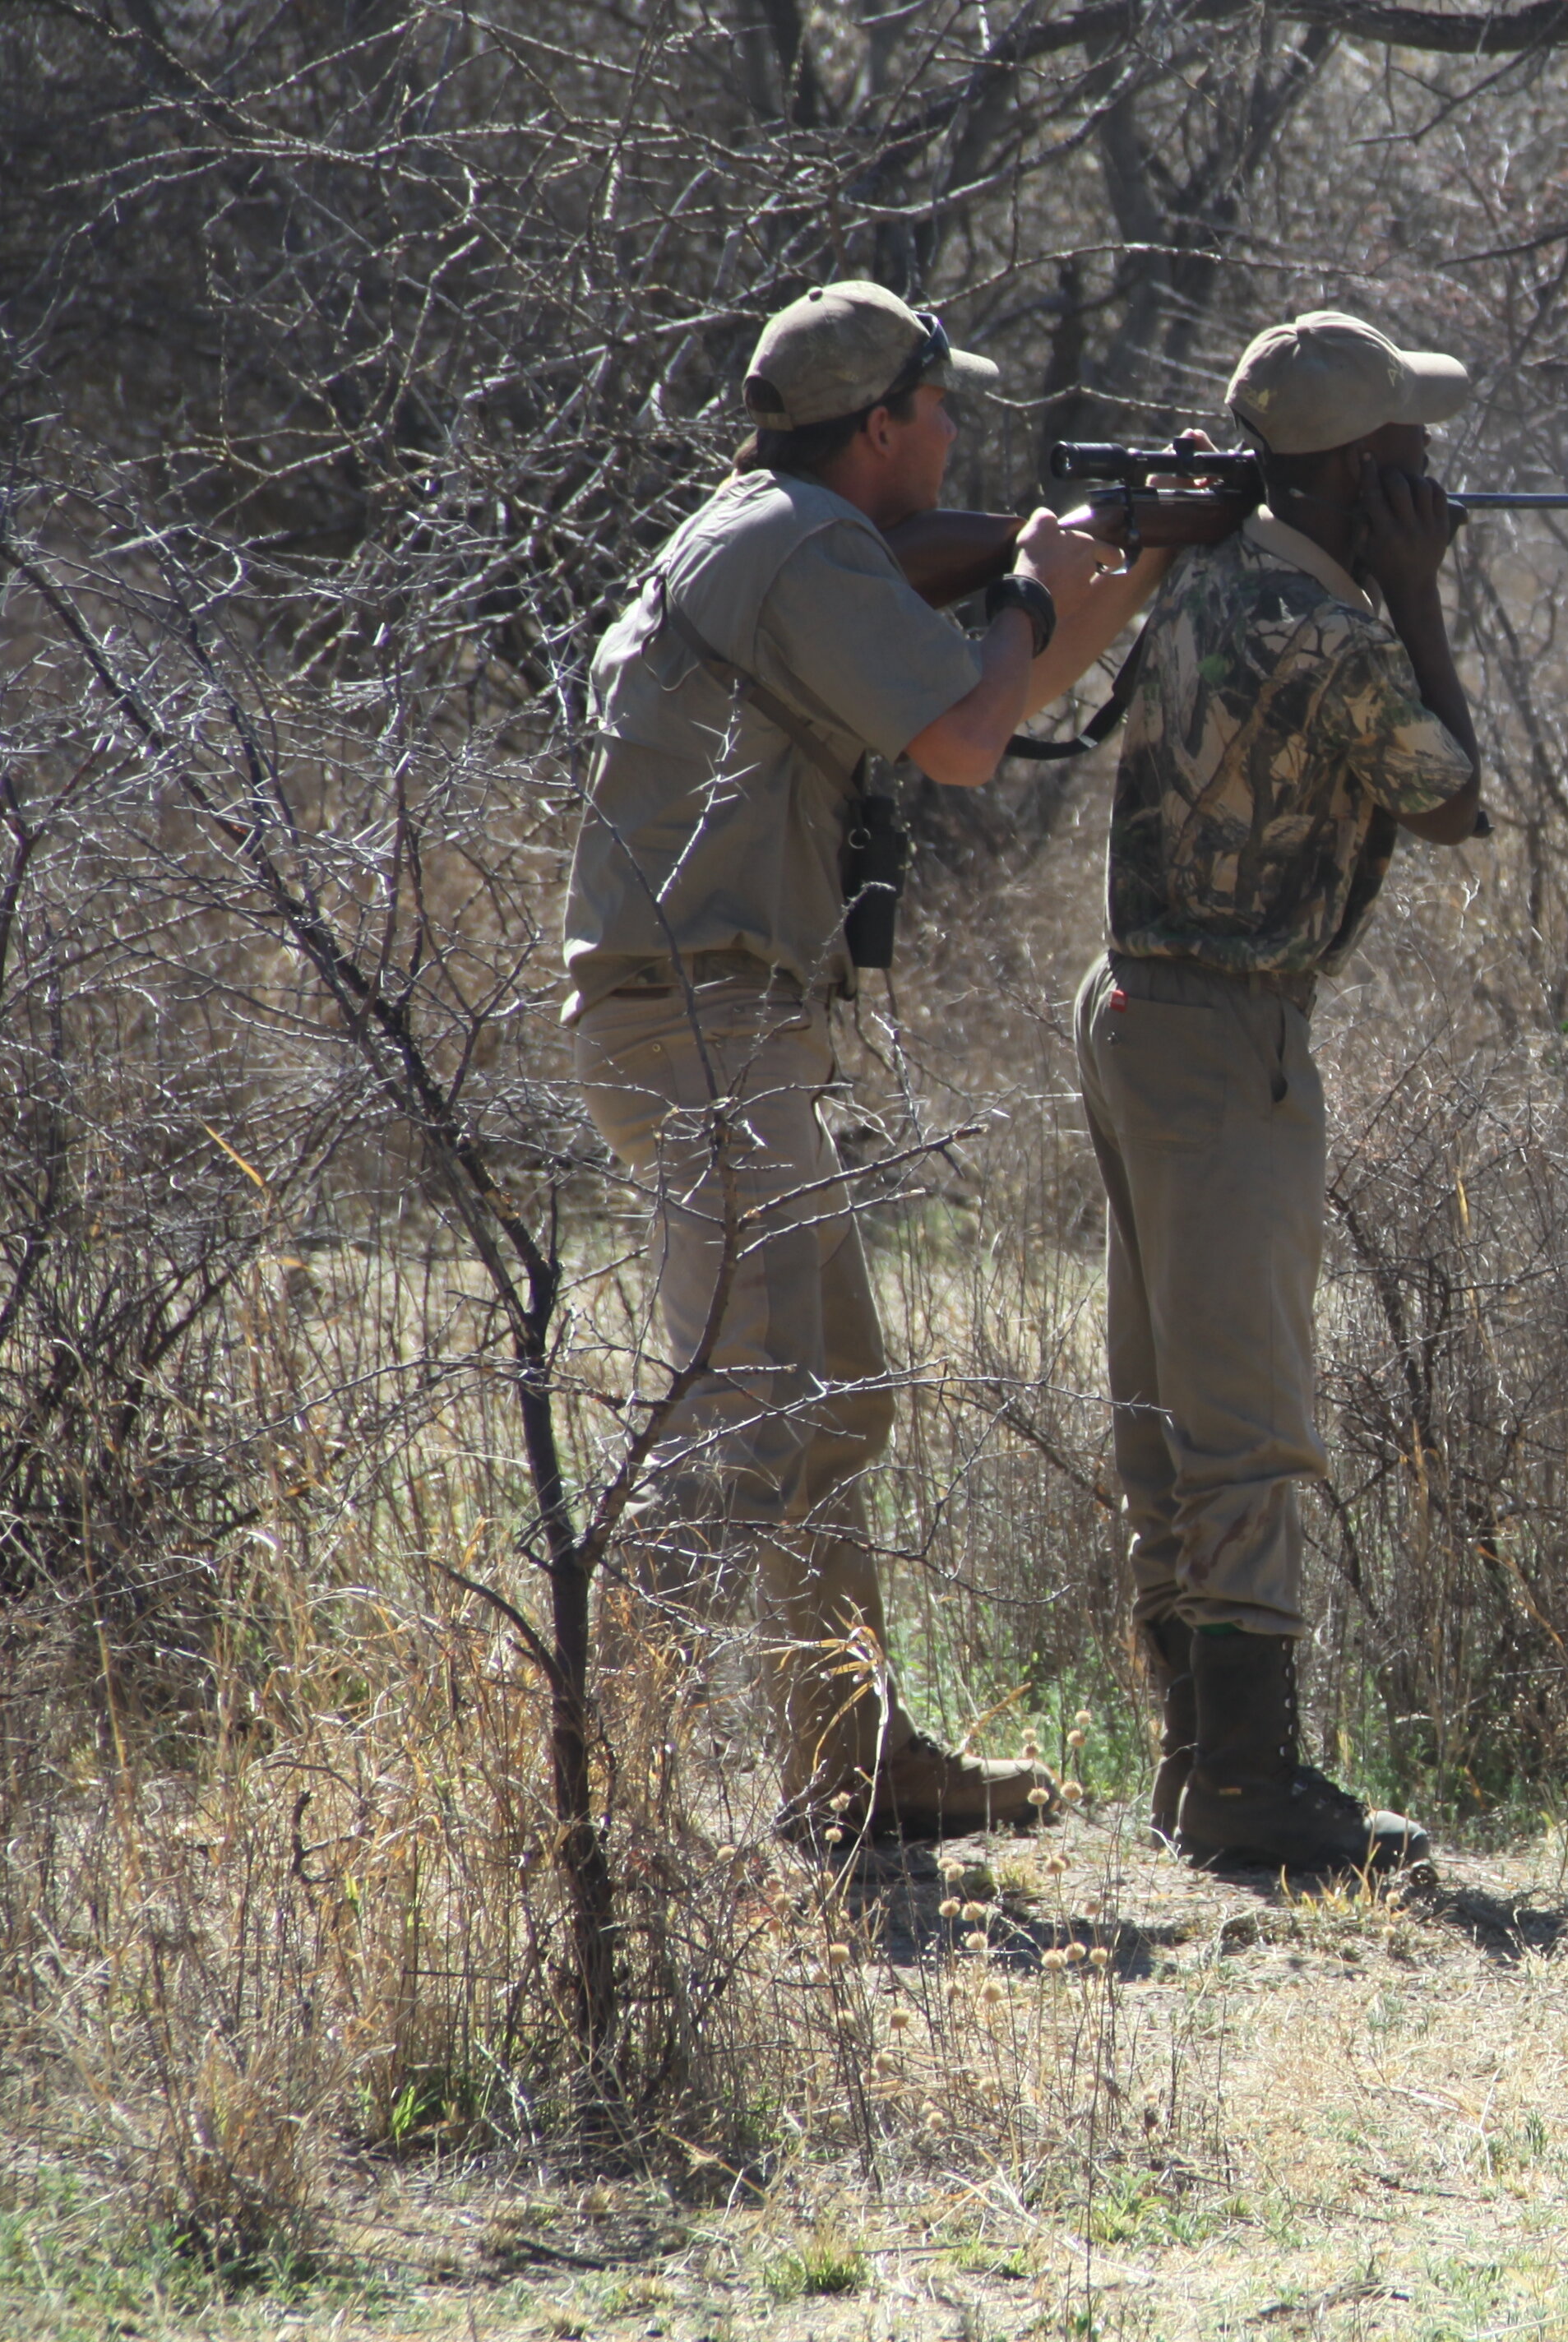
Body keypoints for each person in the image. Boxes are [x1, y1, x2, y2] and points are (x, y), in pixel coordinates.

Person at [565, 278, 1165, 1844]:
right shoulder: (813, 549)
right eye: (942, 408)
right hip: (705, 1024)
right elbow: (971, 742)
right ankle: (573, 1798)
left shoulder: (759, 538)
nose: (959, 430)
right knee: (750, 1421)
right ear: (883, 427)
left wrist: (1120, 571)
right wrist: (1031, 584)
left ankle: (852, 1768)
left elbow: (990, 698)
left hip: (709, 1023)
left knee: (827, 1407)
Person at [1075, 308, 1486, 1874]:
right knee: (1245, 1425)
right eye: (1410, 451)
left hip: (1134, 1015)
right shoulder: (1333, 629)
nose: (1434, 470)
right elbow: (1450, 797)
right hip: (1225, 1035)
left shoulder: (1218, 568)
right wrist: (1422, 598)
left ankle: (1203, 1763)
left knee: (1166, 1420)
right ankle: (1246, 1782)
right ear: (1365, 474)